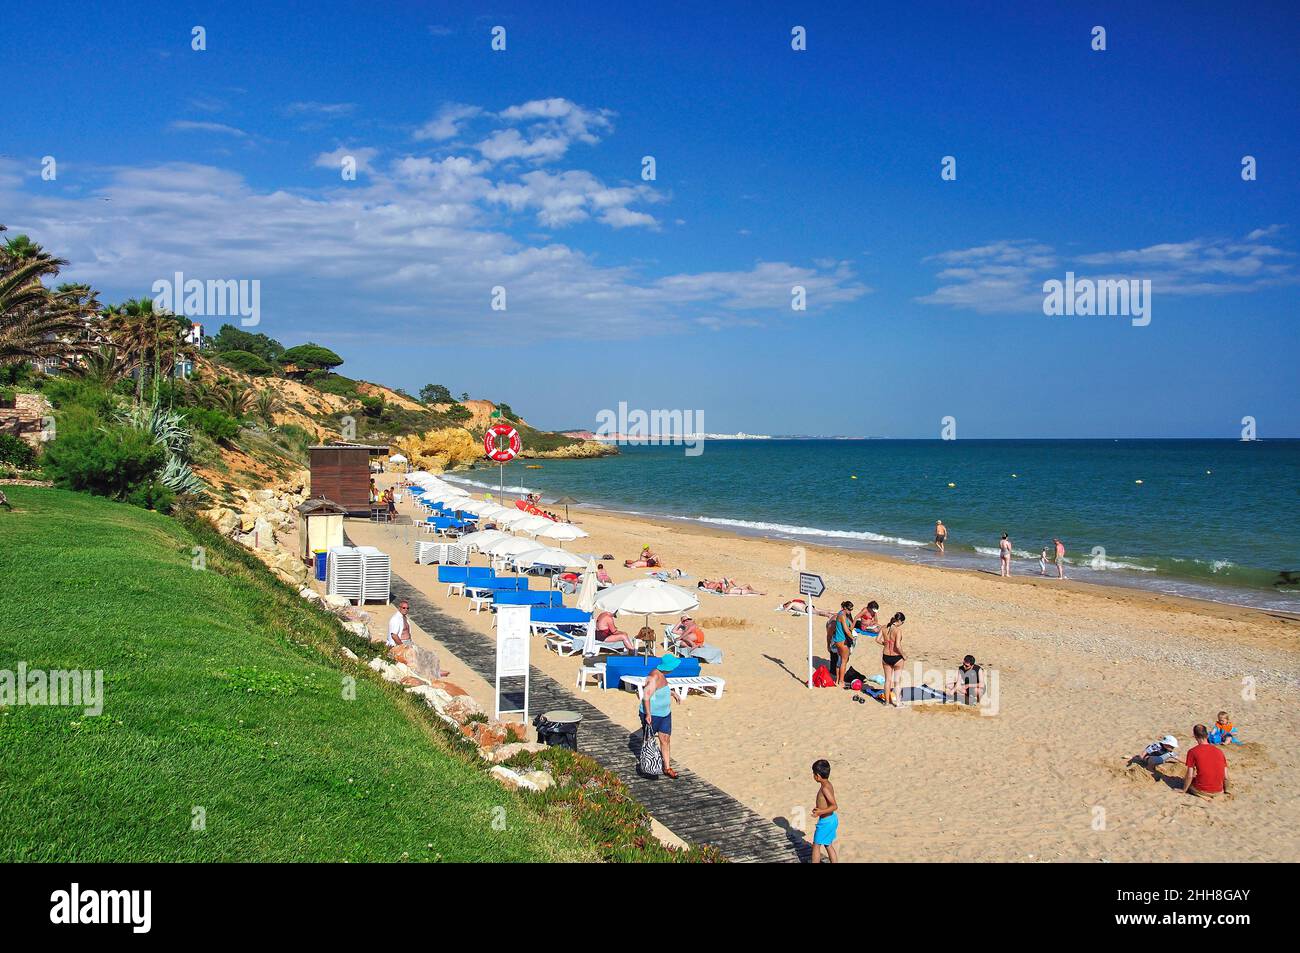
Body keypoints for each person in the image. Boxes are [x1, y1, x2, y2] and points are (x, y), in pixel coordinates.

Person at [642, 655, 681, 779]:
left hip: (665, 713)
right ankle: (650, 765)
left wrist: (672, 693)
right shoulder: (654, 676)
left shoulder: (662, 675)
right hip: (653, 714)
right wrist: (648, 714)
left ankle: (667, 767)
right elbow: (646, 696)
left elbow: (661, 689)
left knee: (665, 739)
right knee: (650, 741)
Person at [387, 600, 449, 676]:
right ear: (399, 608)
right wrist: (403, 647)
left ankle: (435, 670)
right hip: (401, 644)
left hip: (408, 642)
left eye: (407, 608)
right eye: (404, 608)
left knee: (425, 654)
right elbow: (394, 635)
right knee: (418, 657)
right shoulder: (395, 619)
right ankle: (434, 672)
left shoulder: (404, 617)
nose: (406, 610)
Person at [1183, 724, 1229, 799]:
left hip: (1203, 790)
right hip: (1219, 791)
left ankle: (1202, 795)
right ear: (1207, 735)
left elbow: (1190, 775)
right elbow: (1226, 777)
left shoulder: (1192, 751)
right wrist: (1226, 790)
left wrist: (1183, 790)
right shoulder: (1219, 751)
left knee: (1187, 781)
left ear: (1195, 736)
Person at [809, 759, 839, 864]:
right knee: (828, 844)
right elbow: (825, 803)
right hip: (831, 820)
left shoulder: (825, 788)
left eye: (813, 774)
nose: (813, 776)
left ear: (817, 775)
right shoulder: (827, 784)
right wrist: (819, 809)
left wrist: (820, 812)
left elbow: (834, 805)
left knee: (816, 846)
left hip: (826, 822)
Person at [877, 612, 906, 706]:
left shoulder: (884, 628)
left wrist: (885, 644)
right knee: (897, 681)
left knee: (887, 680)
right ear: (899, 621)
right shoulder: (898, 630)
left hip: (886, 656)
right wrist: (904, 655)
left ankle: (886, 702)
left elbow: (877, 639)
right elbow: (897, 645)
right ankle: (898, 703)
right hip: (896, 657)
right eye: (902, 622)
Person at [825, 600, 855, 687]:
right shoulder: (842, 616)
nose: (850, 611)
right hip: (843, 641)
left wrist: (855, 618)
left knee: (839, 661)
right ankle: (841, 681)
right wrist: (853, 638)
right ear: (845, 608)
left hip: (838, 641)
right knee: (844, 662)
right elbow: (847, 630)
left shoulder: (841, 613)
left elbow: (850, 627)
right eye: (849, 610)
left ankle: (837, 680)